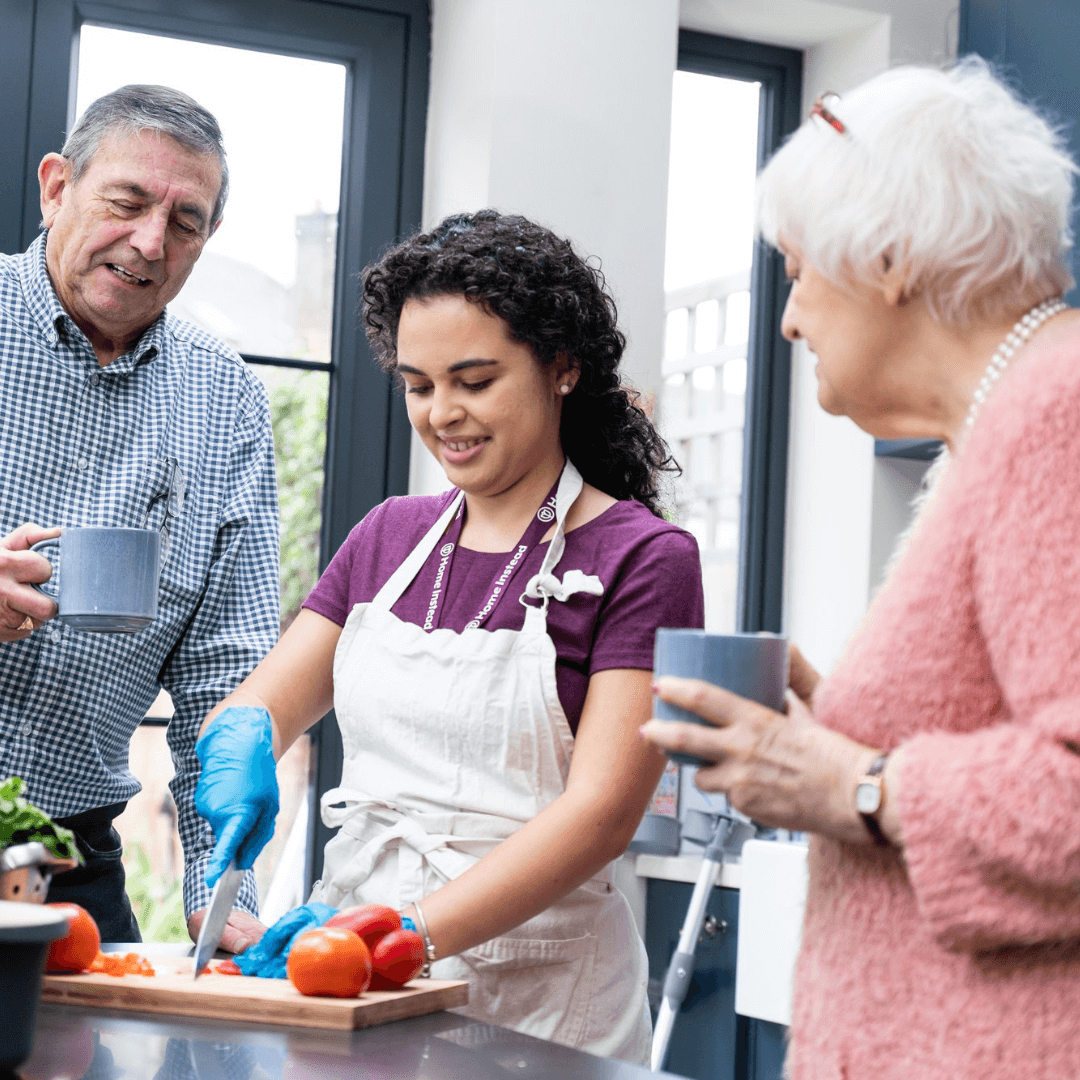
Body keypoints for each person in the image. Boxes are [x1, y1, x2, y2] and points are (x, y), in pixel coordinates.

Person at [641, 59, 1080, 1079]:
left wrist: (859, 786)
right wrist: (827, 744)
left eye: (796, 269)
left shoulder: (1054, 414)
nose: (789, 318)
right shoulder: (1006, 422)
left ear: (886, 256)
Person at [193, 210, 704, 1061]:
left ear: (563, 368)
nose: (443, 415)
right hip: (352, 968)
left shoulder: (644, 558)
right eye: (419, 385)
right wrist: (241, 740)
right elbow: (263, 703)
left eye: (474, 380)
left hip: (540, 1002)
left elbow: (601, 813)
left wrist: (406, 933)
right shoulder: (389, 535)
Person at [0, 85, 279, 949]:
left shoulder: (227, 398)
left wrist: (218, 887)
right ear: (56, 188)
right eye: (125, 202)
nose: (151, 242)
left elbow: (225, 673)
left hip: (69, 861)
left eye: (185, 222)